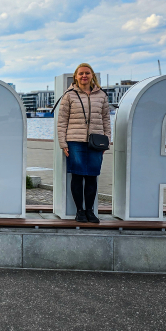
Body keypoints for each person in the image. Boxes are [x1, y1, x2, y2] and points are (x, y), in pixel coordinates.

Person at [57, 63, 111, 223]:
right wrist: (63, 143)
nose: (84, 76)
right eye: (81, 73)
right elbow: (62, 121)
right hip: (75, 141)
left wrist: (107, 140)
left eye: (87, 73)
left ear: (92, 75)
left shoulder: (102, 95)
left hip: (96, 141)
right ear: (76, 76)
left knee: (92, 177)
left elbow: (106, 119)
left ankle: (90, 211)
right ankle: (79, 211)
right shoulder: (69, 95)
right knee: (77, 176)